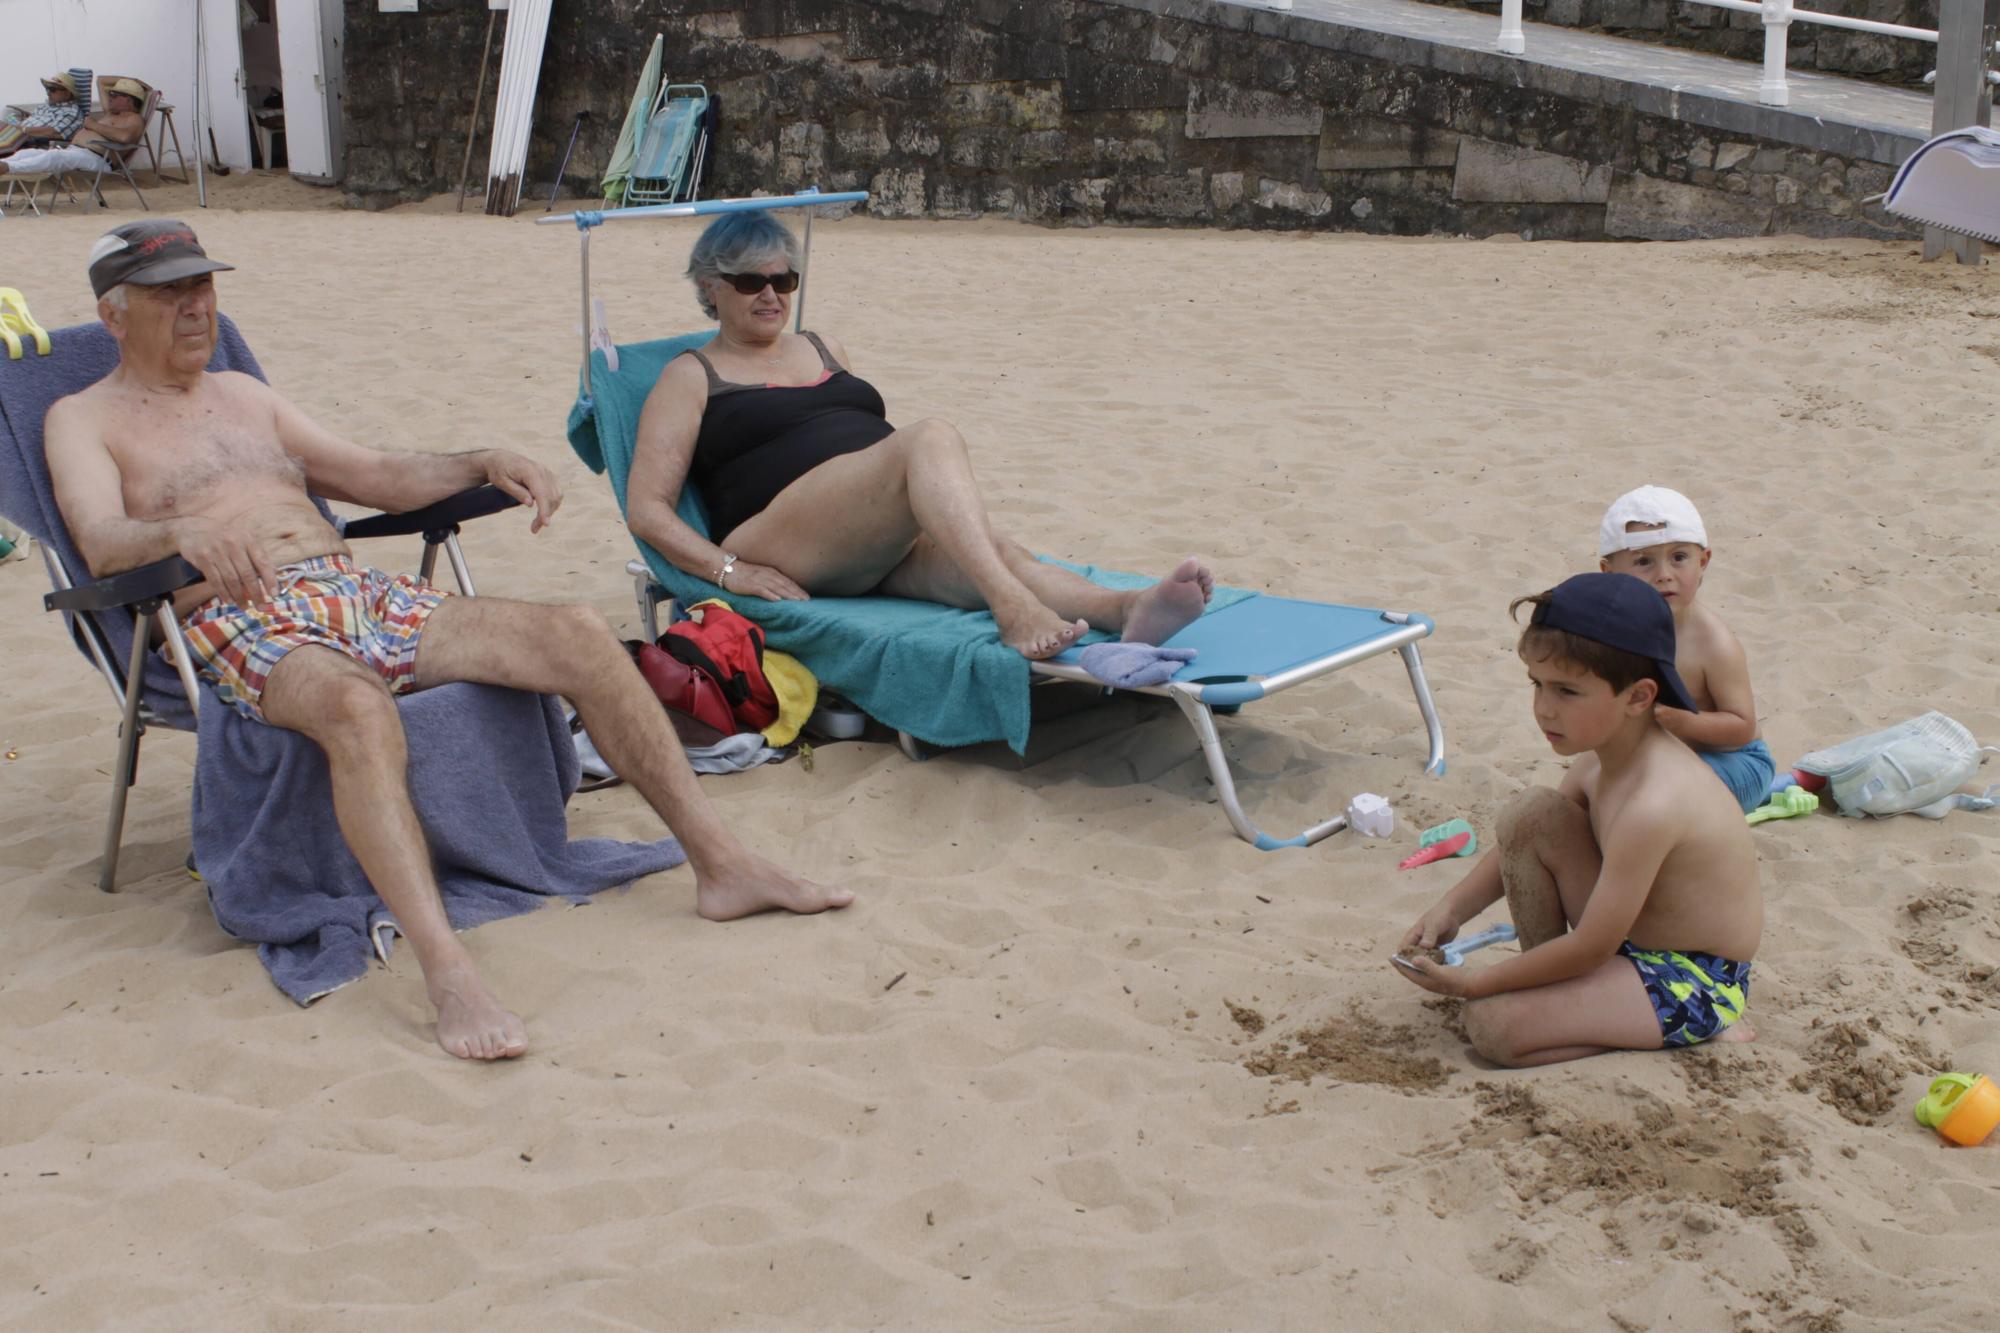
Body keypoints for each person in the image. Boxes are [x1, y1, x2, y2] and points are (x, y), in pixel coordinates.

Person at [45, 221, 852, 1062]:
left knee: (577, 634)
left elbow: (375, 477)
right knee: (357, 707)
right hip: (233, 610)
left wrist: (480, 460)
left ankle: (721, 865)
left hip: (354, 588)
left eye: (202, 287)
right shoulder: (84, 417)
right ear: (113, 314)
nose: (195, 307)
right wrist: (178, 534)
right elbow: (101, 539)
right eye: (169, 293)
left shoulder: (243, 395)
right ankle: (448, 969)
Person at [625, 210, 1214, 661]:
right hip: (781, 536)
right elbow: (647, 509)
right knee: (927, 437)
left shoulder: (822, 347)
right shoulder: (689, 376)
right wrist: (730, 571)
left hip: (866, 535)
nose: (772, 294)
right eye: (751, 280)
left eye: (785, 279)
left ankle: (1127, 609)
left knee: (995, 552)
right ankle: (1012, 611)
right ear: (709, 287)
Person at [1393, 573, 1762, 1066]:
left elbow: (1590, 946)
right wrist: (1451, 909)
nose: (1543, 709)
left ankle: (1674, 1028)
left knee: (1493, 1025)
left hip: (1692, 976)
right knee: (1533, 812)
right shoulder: (1600, 761)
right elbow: (1523, 839)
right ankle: (1560, 988)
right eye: (1537, 685)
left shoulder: (1653, 803)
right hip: (1629, 940)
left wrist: (1474, 983)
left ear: (1638, 697)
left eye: (1567, 692)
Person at [1595, 485, 1773, 813]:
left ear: (1703, 561)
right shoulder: (1614, 632)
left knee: (1658, 795)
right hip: (1663, 759)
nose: (1664, 575)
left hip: (1734, 762)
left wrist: (1676, 720)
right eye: (1644, 561)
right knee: (1592, 784)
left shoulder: (1711, 642)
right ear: (1609, 573)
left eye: (1679, 558)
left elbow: (1742, 726)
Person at [0, 76, 143, 180]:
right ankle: (5, 164)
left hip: (97, 159)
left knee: (54, 156)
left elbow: (125, 137)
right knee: (27, 153)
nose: (109, 97)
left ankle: (7, 168)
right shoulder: (110, 114)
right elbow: (101, 80)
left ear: (129, 99)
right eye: (110, 93)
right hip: (73, 152)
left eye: (114, 94)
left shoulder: (134, 119)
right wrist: (137, 81)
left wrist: (93, 125)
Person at [0, 71, 85, 155]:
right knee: (8, 110)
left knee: (4, 127)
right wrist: (27, 115)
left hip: (28, 139)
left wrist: (22, 129)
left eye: (52, 89)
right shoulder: (49, 105)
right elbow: (39, 118)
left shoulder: (71, 112)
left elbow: (54, 132)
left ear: (67, 93)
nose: (48, 92)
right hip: (21, 128)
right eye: (47, 88)